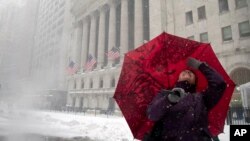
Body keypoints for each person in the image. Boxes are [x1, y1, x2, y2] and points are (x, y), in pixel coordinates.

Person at [143, 57, 226, 141]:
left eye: (191, 73)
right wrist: (168, 100)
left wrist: (201, 66)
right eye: (184, 71)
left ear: (195, 81)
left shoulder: (202, 98)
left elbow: (219, 84)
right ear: (178, 78)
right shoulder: (165, 94)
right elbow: (152, 114)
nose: (187, 71)